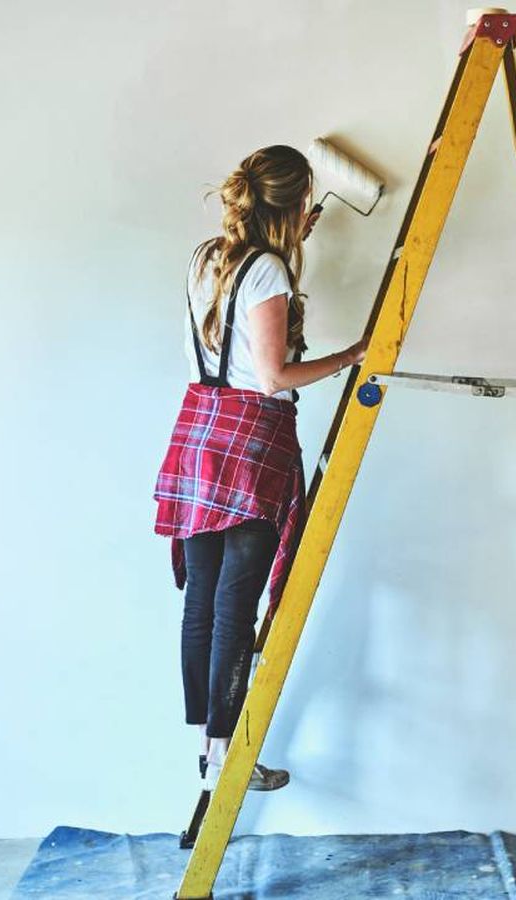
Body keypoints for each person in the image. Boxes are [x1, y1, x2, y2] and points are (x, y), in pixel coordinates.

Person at [154, 145, 367, 794]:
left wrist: (288, 244)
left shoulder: (208, 257)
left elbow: (237, 347)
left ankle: (208, 747)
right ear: (297, 203)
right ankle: (226, 751)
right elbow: (273, 376)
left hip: (199, 435)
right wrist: (354, 355)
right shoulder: (269, 270)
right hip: (250, 444)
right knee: (234, 606)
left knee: (204, 602)